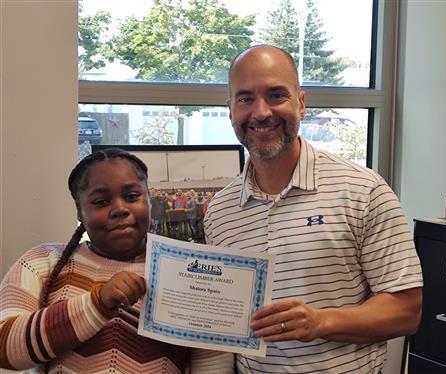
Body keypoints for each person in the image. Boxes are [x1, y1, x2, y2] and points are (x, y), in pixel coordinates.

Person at [203, 45, 423, 374]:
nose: (261, 112)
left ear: (301, 104)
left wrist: (321, 321)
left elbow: (407, 311)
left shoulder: (362, 191)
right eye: (246, 98)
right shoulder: (220, 211)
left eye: (276, 95)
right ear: (230, 110)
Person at [0, 148, 234, 373]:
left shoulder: (185, 272)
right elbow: (4, 347)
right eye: (101, 202)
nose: (120, 209)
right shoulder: (43, 261)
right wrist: (98, 302)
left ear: (149, 200)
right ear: (80, 211)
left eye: (132, 196)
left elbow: (213, 364)